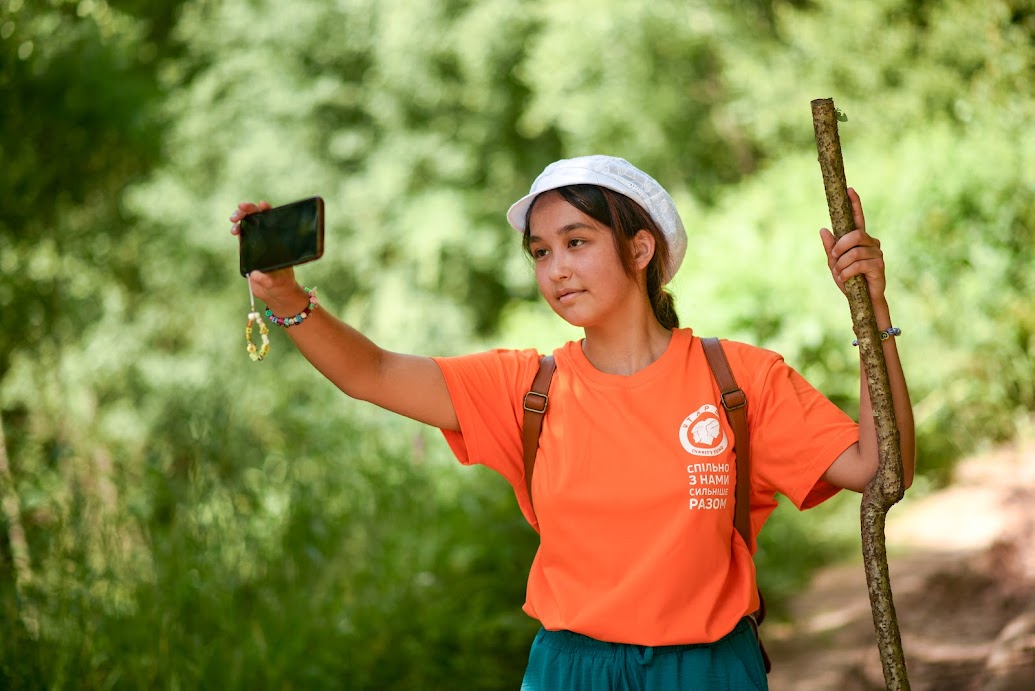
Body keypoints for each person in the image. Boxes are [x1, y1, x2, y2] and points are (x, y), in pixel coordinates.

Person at [230, 155, 915, 690]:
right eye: (540, 252)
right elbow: (371, 372)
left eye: (576, 241)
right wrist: (285, 296)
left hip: (708, 670)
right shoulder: (524, 390)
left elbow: (879, 467)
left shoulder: (738, 380)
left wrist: (873, 312)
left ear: (640, 249)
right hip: (571, 673)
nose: (556, 269)